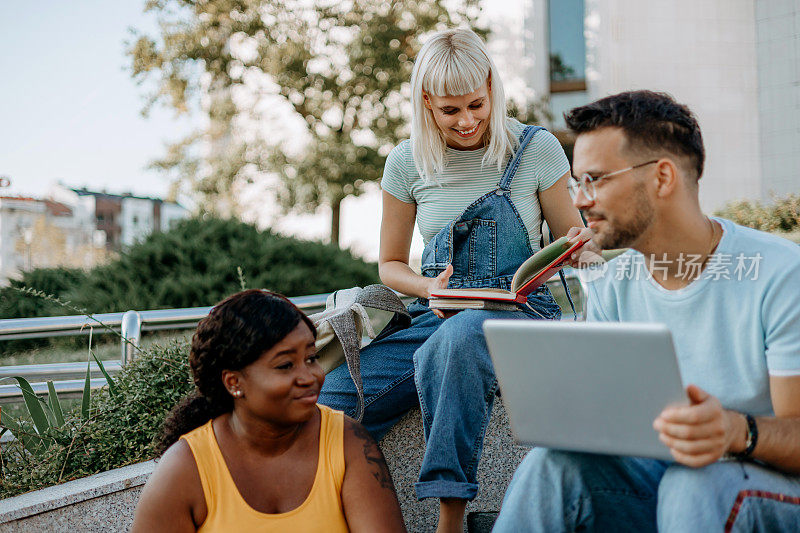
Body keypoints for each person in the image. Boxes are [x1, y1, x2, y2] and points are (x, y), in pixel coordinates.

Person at [318, 28, 593, 532]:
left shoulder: (537, 149)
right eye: (450, 111)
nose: (466, 121)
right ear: (426, 102)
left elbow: (571, 242)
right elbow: (391, 266)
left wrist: (581, 246)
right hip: (435, 315)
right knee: (333, 401)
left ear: (491, 87)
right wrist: (430, 289)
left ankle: (450, 518)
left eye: (476, 105)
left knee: (464, 337)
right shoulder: (406, 163)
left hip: (522, 315)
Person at [493, 90, 800, 532]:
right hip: (668, 481)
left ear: (661, 178)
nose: (579, 201)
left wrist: (736, 431)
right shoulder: (614, 285)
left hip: (770, 490)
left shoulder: (778, 274)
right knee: (553, 465)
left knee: (693, 485)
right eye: (576, 183)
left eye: (595, 179)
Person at [131, 290, 406, 532]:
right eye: (286, 365)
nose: (310, 376)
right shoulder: (184, 469)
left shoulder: (347, 443)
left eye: (311, 358)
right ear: (234, 382)